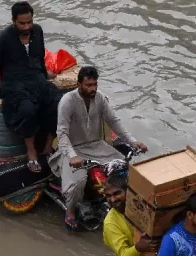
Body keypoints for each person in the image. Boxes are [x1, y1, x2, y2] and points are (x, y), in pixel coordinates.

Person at [0, 2, 62, 173]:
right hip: (13, 83)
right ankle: (31, 151)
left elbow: (39, 57)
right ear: (13, 21)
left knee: (59, 100)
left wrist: (44, 73)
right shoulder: (3, 37)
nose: (27, 27)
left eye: (29, 22)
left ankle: (48, 146)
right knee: (26, 110)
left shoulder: (38, 31)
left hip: (36, 79)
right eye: (22, 23)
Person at [53, 65, 147, 230]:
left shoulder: (101, 98)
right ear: (79, 84)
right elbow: (61, 134)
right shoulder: (67, 102)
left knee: (125, 169)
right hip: (72, 149)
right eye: (88, 85)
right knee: (78, 182)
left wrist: (133, 141)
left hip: (97, 146)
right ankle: (70, 211)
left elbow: (114, 121)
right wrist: (72, 155)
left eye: (95, 85)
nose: (93, 88)